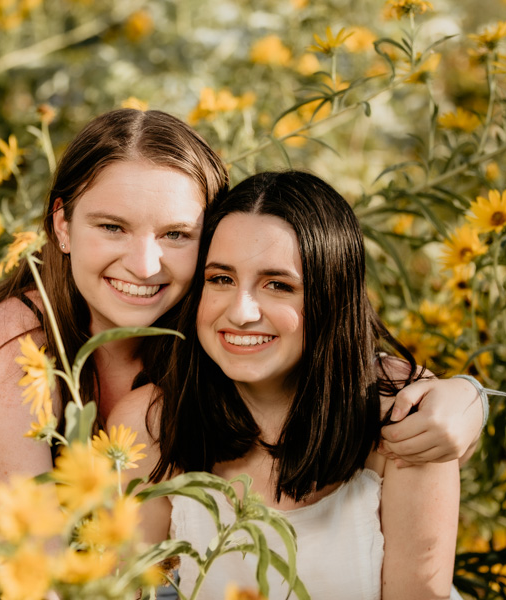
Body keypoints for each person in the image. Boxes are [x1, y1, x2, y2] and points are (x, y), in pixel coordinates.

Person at [0, 110, 483, 597]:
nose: (145, 263)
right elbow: (32, 571)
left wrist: (467, 399)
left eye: (177, 235)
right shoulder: (17, 342)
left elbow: (347, 363)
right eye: (112, 227)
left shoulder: (219, 311)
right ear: (62, 225)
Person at [109, 171, 462, 599]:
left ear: (330, 297)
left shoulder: (404, 418)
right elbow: (127, 590)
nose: (241, 312)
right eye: (221, 279)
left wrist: (472, 395)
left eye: (278, 285)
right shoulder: (149, 423)